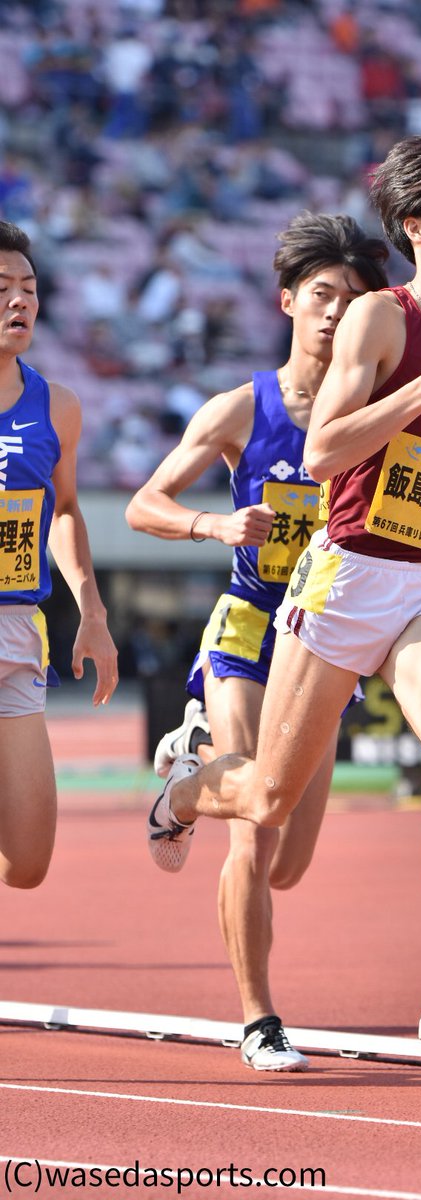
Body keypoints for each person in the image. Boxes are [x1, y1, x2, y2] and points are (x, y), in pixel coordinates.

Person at [145, 134, 421, 1051]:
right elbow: (325, 452)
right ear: (416, 228)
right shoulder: (380, 321)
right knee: (270, 804)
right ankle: (184, 793)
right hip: (345, 573)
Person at [126, 211, 390, 1073]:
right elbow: (144, 503)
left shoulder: (377, 416)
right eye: (321, 296)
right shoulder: (244, 407)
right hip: (248, 625)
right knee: (256, 832)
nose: (334, 312)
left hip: (324, 640)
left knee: (290, 863)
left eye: (352, 300)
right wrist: (213, 523)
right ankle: (259, 1019)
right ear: (287, 302)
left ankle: (191, 779)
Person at [0, 219, 117, 892]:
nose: (20, 302)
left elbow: (65, 510)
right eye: (2, 288)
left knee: (27, 863)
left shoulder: (58, 408)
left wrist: (92, 613)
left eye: (30, 289)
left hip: (18, 630)